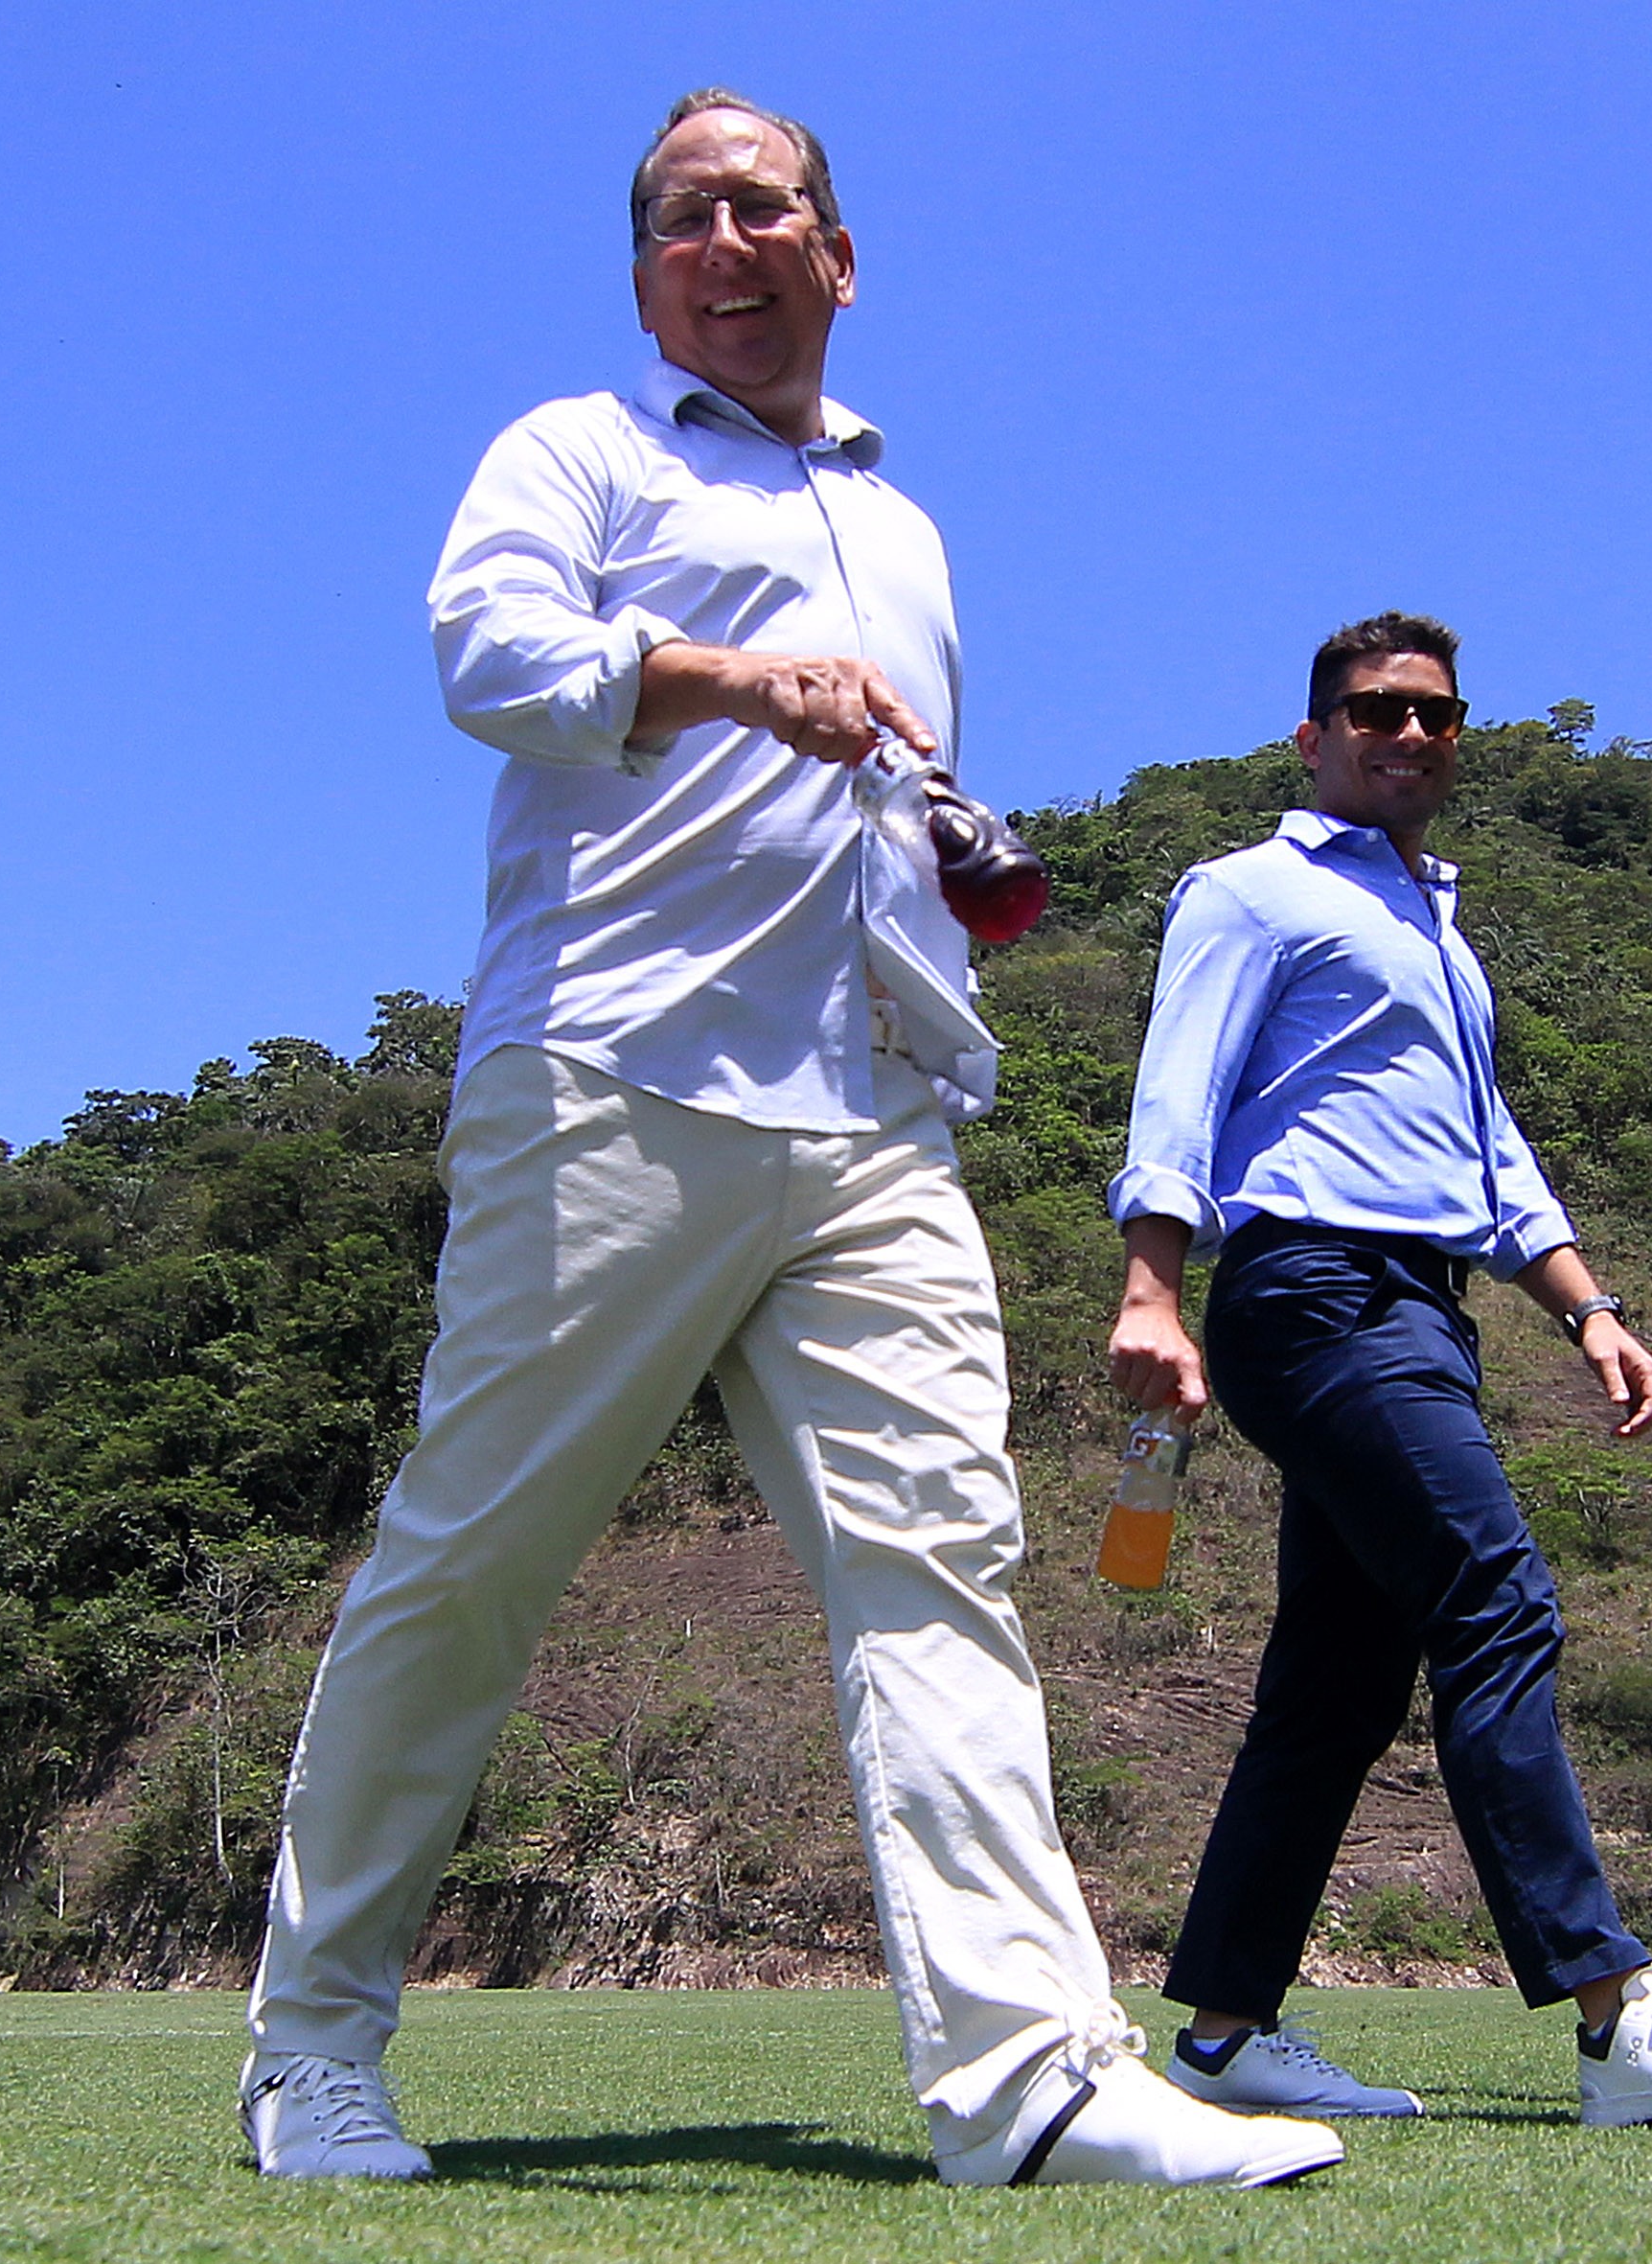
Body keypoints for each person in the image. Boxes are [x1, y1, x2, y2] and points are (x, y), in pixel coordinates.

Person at [236, 89, 1341, 2193]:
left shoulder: (906, 528)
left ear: (839, 254)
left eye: (762, 207)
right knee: (473, 1556)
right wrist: (735, 681)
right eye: (681, 218)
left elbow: (883, 794)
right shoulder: (580, 450)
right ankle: (312, 2050)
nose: (723, 241)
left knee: (941, 1566)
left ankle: (1030, 2078)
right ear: (645, 277)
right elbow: (491, 656)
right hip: (612, 1072)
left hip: (874, 1112)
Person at [1103, 612, 1652, 2127]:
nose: (1410, 733)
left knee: (1337, 1681)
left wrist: (1587, 1308)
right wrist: (1152, 1291)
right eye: (1377, 710)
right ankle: (1615, 2016)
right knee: (1496, 1601)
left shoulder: (1442, 938)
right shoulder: (1251, 891)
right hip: (1315, 1291)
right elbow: (1176, 1094)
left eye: (1436, 714)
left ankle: (1226, 2035)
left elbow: (1488, 1152)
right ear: (1313, 737)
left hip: (1421, 1307)